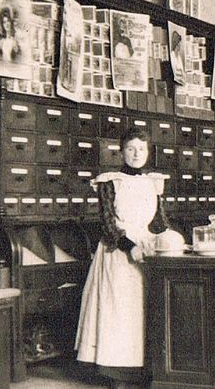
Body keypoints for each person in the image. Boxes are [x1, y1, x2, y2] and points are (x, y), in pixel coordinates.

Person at [76, 127, 179, 389]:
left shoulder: (153, 182)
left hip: (146, 250)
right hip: (118, 251)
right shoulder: (110, 181)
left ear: (148, 152)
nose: (136, 154)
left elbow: (158, 221)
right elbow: (107, 222)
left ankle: (142, 369)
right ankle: (116, 373)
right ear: (121, 151)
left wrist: (170, 240)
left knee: (143, 310)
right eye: (131, 148)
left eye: (141, 149)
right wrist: (128, 245)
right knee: (120, 311)